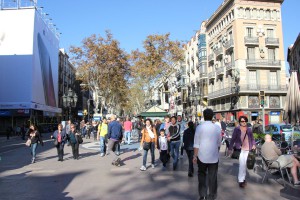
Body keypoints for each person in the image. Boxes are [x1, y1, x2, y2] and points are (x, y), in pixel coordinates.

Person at [193, 108, 221, 200]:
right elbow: (219, 143)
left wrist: (195, 156)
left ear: (204, 116)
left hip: (201, 156)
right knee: (213, 177)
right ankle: (212, 196)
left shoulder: (199, 127)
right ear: (212, 116)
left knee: (201, 175)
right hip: (214, 157)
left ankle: (203, 195)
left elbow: (196, 144)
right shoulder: (217, 128)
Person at [228, 116, 256, 188]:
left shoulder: (249, 129)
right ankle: (241, 180)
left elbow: (252, 138)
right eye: (242, 121)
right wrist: (230, 148)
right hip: (240, 150)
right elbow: (233, 139)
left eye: (245, 121)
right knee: (242, 165)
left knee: (246, 165)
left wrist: (254, 145)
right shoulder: (237, 129)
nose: (243, 123)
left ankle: (243, 178)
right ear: (240, 122)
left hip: (248, 149)